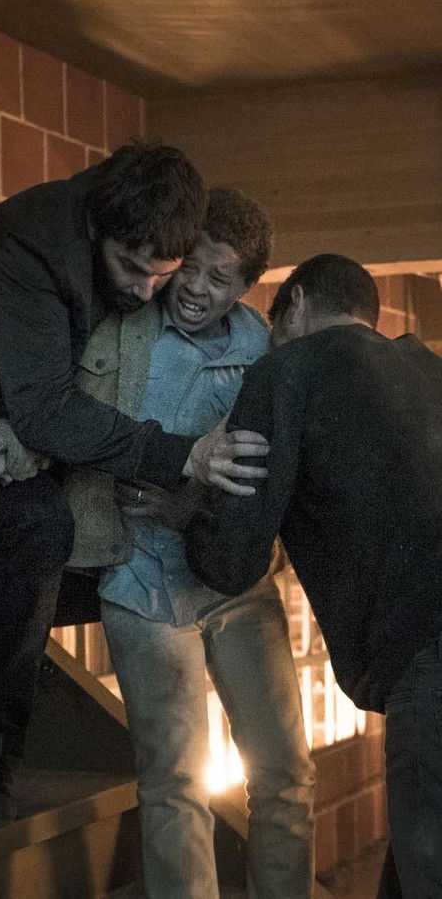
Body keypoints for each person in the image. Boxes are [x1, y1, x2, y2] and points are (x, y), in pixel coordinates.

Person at [0, 143, 268, 830]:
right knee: (43, 529)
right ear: (96, 228)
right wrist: (183, 456)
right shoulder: (35, 241)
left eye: (163, 274)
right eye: (132, 269)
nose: (146, 291)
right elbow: (46, 409)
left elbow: (54, 395)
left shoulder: (142, 256)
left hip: (18, 412)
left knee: (106, 561)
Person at [0, 190, 315, 898]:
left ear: (245, 288)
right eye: (190, 267)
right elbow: (62, 409)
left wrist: (190, 504)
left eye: (220, 278)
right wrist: (1, 443)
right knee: (175, 783)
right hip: (142, 582)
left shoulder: (263, 352)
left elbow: (280, 477)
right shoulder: (122, 330)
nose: (196, 288)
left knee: (285, 778)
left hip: (238, 585)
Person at [185, 253, 442, 899]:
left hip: (428, 660)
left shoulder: (287, 370)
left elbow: (231, 560)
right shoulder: (428, 369)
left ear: (295, 305)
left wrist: (181, 500)